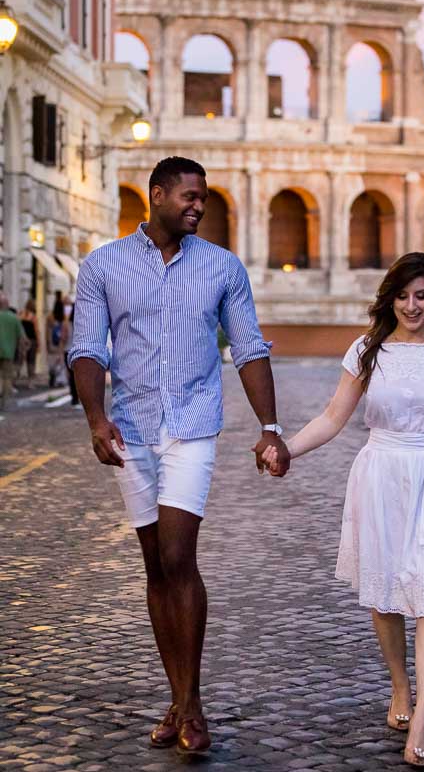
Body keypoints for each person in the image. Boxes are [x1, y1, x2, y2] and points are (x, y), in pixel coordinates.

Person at [262, 252, 424, 768]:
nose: (412, 305)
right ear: (391, 298)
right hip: (380, 475)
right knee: (383, 595)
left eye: (422, 296)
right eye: (403, 296)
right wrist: (287, 448)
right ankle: (400, 688)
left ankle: (423, 718)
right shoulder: (367, 350)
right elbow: (334, 417)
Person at [68, 156, 290, 757]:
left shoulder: (222, 268)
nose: (199, 205)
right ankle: (178, 696)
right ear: (157, 195)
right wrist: (96, 418)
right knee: (155, 568)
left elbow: (248, 348)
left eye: (205, 197)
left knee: (177, 554)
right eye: (189, 196)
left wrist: (270, 427)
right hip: (131, 430)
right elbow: (86, 348)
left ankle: (191, 706)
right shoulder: (104, 265)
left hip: (192, 426)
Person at [0, 294, 25, 411]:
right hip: (8, 352)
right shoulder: (14, 318)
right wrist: (21, 351)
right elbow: (22, 338)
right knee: (6, 378)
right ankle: (4, 402)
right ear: (7, 305)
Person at [18, 298, 40, 387]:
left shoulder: (20, 314)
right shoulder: (33, 317)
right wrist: (39, 343)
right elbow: (36, 331)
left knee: (19, 360)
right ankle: (30, 382)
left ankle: (14, 380)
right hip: (32, 341)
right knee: (31, 361)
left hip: (22, 340)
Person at [46, 297, 67, 388]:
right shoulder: (64, 318)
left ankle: (52, 378)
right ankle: (59, 380)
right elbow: (64, 332)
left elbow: (48, 331)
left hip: (52, 342)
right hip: (60, 343)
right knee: (59, 362)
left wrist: (49, 343)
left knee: (52, 362)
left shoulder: (50, 317)